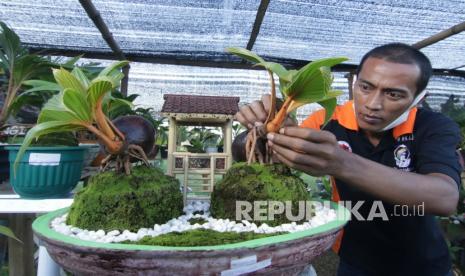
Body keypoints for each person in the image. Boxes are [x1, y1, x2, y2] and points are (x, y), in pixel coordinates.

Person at [235, 43, 461, 276]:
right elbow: (271, 156)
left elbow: (444, 198)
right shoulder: (328, 120)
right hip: (355, 261)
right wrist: (261, 132)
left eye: (393, 94)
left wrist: (342, 163)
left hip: (424, 265)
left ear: (419, 98)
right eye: (366, 87)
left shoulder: (432, 127)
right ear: (355, 83)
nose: (373, 104)